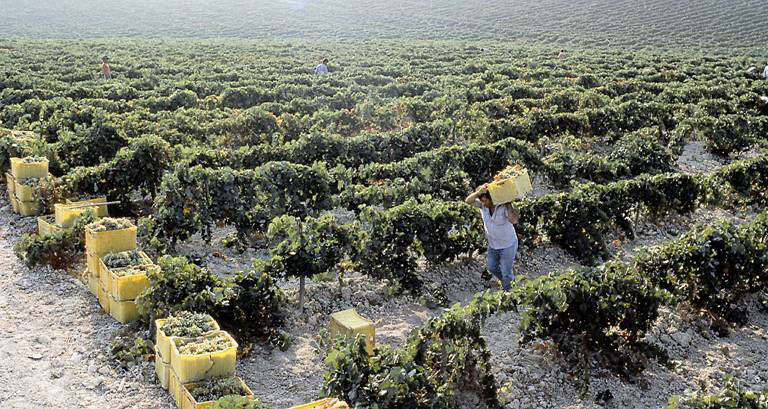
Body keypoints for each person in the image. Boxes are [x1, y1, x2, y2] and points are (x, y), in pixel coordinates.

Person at [465, 184, 520, 291]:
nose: (484, 204)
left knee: (506, 271)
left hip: (508, 245)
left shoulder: (503, 206)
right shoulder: (482, 206)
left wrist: (508, 203)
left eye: (486, 201)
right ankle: (509, 282)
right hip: (493, 245)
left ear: (492, 198)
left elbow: (514, 220)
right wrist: (478, 192)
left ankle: (510, 293)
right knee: (492, 267)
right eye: (482, 201)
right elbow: (468, 201)